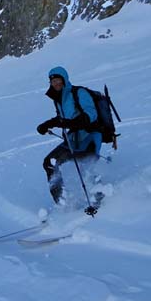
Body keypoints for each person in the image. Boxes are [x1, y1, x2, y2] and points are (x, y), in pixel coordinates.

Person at [36, 66, 102, 203]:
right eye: (52, 82)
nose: (55, 84)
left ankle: (99, 197)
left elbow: (91, 113)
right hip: (72, 140)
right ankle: (63, 202)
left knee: (86, 166)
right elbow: (61, 118)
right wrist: (47, 124)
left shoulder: (79, 92)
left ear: (64, 79)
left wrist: (71, 123)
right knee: (49, 162)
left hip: (89, 137)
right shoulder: (59, 99)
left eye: (58, 80)